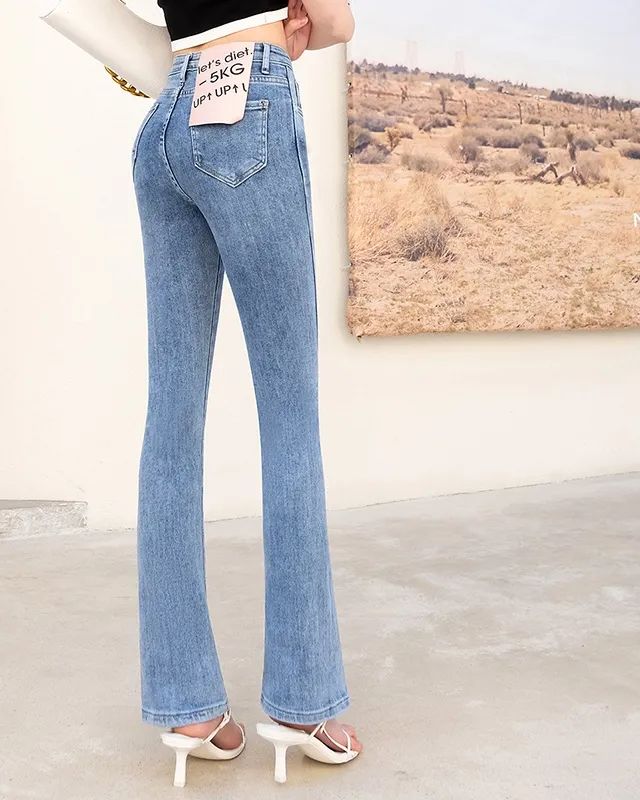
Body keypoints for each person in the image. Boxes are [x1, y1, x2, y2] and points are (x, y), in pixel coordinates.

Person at [130, 0, 363, 785]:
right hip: (251, 104)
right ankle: (303, 702)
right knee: (290, 416)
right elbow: (336, 22)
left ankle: (186, 707)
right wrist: (297, 27)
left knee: (170, 420)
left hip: (167, 118)